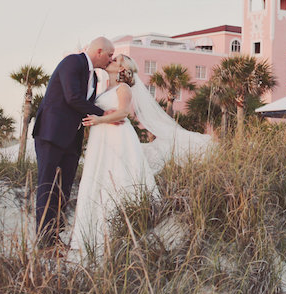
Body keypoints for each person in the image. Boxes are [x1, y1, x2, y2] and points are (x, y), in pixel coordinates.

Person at [69, 54, 214, 257]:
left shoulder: (123, 88)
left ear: (122, 69)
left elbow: (123, 114)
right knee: (98, 175)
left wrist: (98, 119)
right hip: (101, 137)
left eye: (115, 60)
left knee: (118, 175)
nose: (110, 60)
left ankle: (121, 228)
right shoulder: (105, 89)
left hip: (117, 136)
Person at [32, 37, 116, 250]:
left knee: (63, 190)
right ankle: (44, 242)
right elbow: (73, 98)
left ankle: (55, 236)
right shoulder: (72, 62)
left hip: (72, 140)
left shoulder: (94, 78)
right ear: (99, 51)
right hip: (51, 135)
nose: (111, 59)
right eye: (110, 55)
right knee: (46, 187)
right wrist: (103, 113)